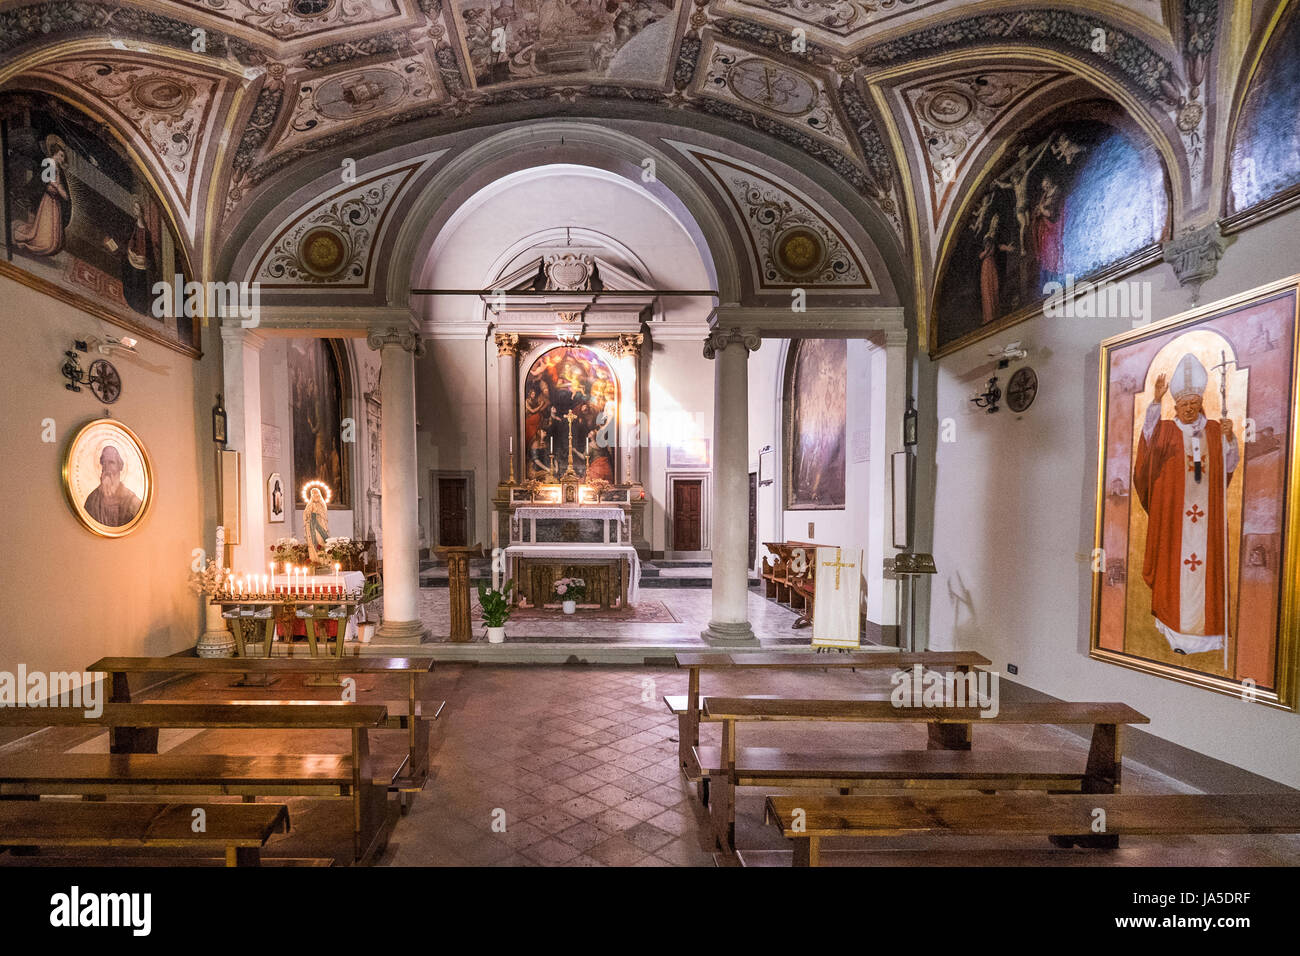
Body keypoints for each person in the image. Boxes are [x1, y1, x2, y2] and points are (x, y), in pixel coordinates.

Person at [1133, 353, 1239, 655]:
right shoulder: (1166, 429)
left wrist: (1230, 440)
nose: (1189, 409)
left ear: (1201, 403)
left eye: (1194, 404)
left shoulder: (1217, 431)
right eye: (1183, 405)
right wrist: (1155, 401)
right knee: (1174, 575)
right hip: (1174, 522)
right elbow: (1148, 444)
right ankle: (1174, 633)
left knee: (1207, 576)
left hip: (1208, 523)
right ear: (1175, 406)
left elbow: (1229, 465)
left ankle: (1209, 639)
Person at [13, 134, 71, 257]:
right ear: (54, 153)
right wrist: (52, 185)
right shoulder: (48, 162)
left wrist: (59, 189)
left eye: (63, 157)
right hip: (47, 199)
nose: (62, 159)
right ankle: (38, 241)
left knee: (53, 229)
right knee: (44, 224)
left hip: (54, 202)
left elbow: (59, 185)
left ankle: (48, 244)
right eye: (61, 155)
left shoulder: (58, 169)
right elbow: (43, 179)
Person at [83, 444, 142, 527]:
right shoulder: (92, 499)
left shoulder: (131, 500)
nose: (107, 468)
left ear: (119, 466)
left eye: (111, 463)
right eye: (104, 463)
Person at [304, 485, 330, 566]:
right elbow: (305, 515)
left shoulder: (322, 505)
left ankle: (324, 562)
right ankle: (315, 561)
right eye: (313, 494)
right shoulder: (309, 505)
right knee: (312, 542)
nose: (315, 496)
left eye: (317, 494)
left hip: (320, 526)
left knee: (321, 541)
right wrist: (309, 514)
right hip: (312, 527)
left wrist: (317, 513)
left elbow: (324, 516)